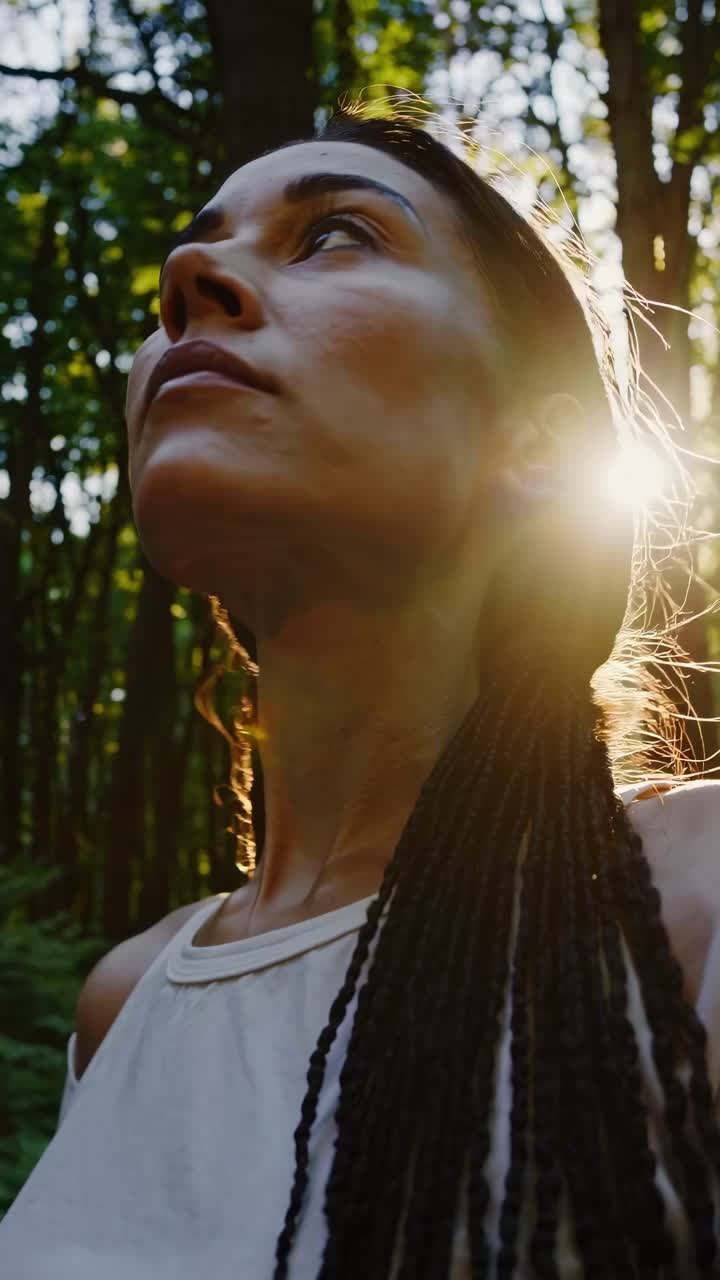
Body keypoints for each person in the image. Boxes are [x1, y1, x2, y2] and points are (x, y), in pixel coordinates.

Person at [2, 105, 720, 1280]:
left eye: (335, 233)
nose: (188, 279)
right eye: (186, 265)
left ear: (535, 445)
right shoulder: (125, 1000)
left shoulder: (690, 894)